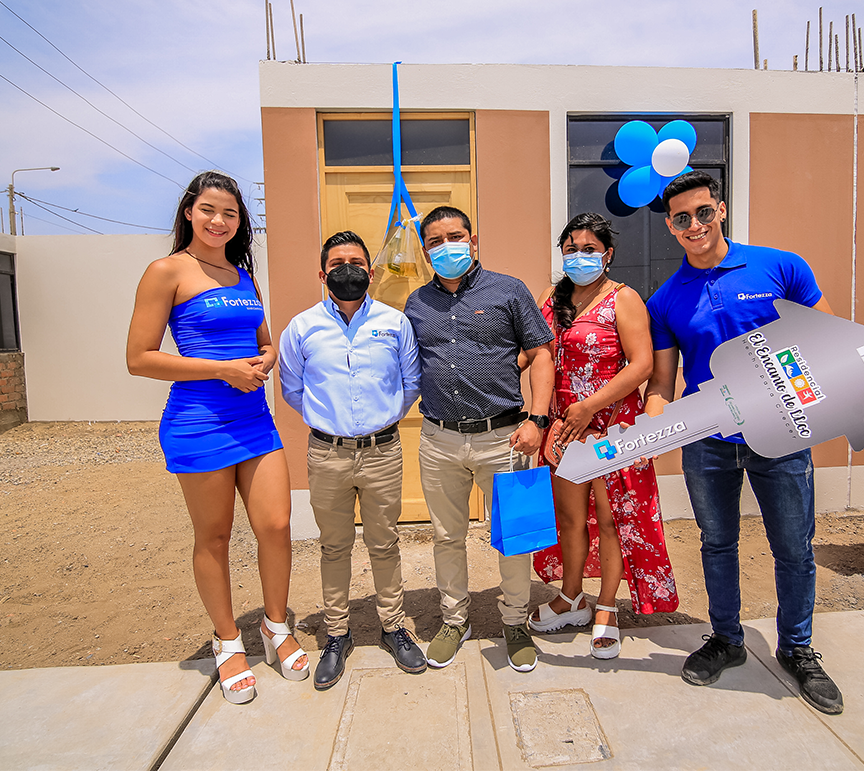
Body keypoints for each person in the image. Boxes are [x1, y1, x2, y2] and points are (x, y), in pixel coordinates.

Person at [644, 170, 864, 715]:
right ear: (670, 226)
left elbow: (830, 340)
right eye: (682, 218)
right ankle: (727, 640)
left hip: (783, 435)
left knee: (793, 547)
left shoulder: (780, 267)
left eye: (703, 212)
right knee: (717, 544)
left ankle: (797, 649)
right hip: (709, 442)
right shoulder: (665, 300)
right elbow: (663, 384)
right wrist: (645, 433)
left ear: (720, 210)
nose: (695, 225)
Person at [127, 171, 307, 704]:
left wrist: (266, 359)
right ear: (189, 211)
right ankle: (228, 641)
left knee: (276, 525)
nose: (218, 221)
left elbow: (265, 341)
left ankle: (275, 625)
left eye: (229, 213)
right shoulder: (166, 271)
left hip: (254, 420)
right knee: (215, 537)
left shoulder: (241, 275)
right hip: (198, 422)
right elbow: (139, 358)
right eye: (208, 209)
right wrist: (222, 370)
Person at [403, 206, 555, 672]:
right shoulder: (416, 303)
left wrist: (537, 419)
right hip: (439, 441)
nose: (445, 247)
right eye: (435, 241)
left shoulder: (508, 290)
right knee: (446, 537)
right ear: (426, 250)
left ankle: (515, 623)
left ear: (472, 241)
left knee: (515, 534)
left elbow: (541, 353)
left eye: (455, 237)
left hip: (505, 438)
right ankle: (455, 620)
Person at [526, 213, 679, 659]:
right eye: (571, 249)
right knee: (570, 518)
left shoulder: (623, 299)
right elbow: (536, 355)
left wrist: (590, 406)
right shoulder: (550, 299)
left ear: (607, 254)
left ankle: (607, 607)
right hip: (564, 429)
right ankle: (571, 596)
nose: (579, 256)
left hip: (613, 427)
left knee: (612, 520)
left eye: (589, 249)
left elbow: (642, 364)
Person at [278, 231, 425, 690]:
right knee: (334, 546)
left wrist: (381, 421)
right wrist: (333, 424)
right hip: (327, 454)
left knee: (385, 543)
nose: (348, 270)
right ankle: (337, 634)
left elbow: (411, 382)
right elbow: (292, 389)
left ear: (371, 271)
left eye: (357, 263)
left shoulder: (394, 323)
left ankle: (393, 626)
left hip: (383, 453)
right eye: (337, 264)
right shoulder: (301, 328)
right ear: (323, 275)